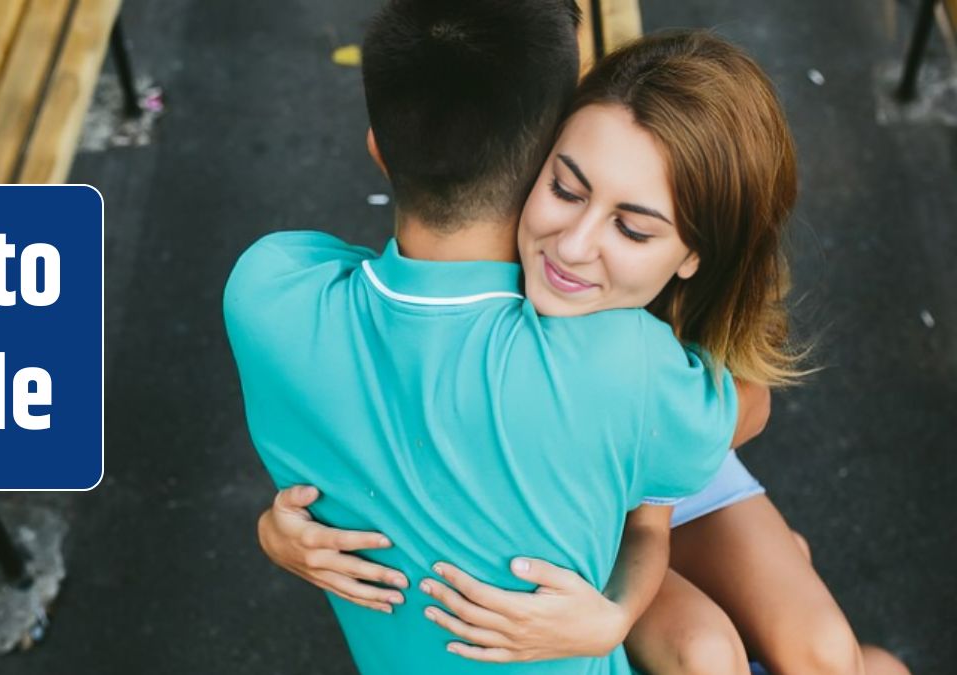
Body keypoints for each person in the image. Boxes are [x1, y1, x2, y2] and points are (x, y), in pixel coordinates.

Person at [255, 26, 911, 675]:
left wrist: (622, 598)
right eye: (566, 188)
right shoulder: (483, 253)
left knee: (830, 654)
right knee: (709, 652)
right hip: (605, 484)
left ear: (693, 255)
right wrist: (276, 529)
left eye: (631, 226)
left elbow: (735, 417)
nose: (573, 245)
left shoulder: (652, 360)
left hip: (658, 466)